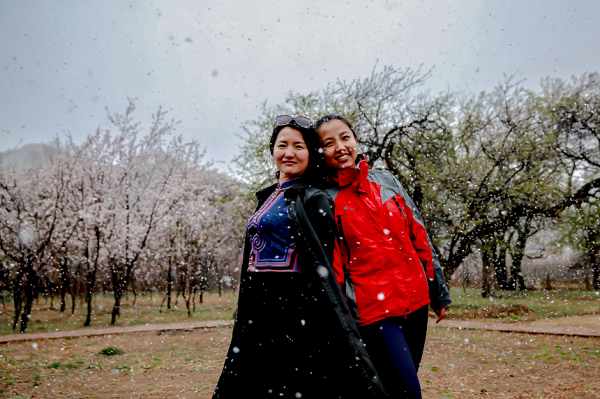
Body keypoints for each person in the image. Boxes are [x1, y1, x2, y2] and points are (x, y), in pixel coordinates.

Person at [213, 115, 386, 399]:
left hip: (293, 313)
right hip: (257, 309)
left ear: (310, 155)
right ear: (272, 150)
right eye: (283, 145)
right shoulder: (267, 196)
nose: (289, 153)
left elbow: (323, 266)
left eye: (299, 146)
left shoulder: (313, 198)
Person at [314, 114, 452, 399]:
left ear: (355, 140)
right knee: (407, 392)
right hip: (373, 313)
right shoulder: (323, 198)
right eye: (328, 143)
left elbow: (419, 237)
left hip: (415, 302)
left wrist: (438, 291)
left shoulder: (387, 181)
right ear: (320, 152)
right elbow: (334, 267)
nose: (340, 146)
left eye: (345, 137)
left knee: (392, 389)